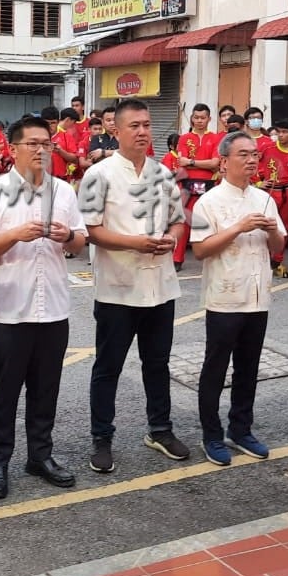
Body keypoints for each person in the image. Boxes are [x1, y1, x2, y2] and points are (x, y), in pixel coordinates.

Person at [0, 117, 87, 499]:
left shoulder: (64, 192)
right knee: (4, 392)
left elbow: (81, 241)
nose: (41, 150)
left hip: (53, 308)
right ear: (13, 149)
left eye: (47, 144)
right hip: (8, 310)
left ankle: (40, 455)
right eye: (33, 143)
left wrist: (68, 236)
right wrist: (14, 235)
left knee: (45, 390)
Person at [79, 98, 188, 473]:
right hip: (117, 287)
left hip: (160, 284)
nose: (142, 131)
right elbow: (91, 231)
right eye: (134, 126)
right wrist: (133, 243)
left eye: (146, 125)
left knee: (157, 364)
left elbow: (177, 219)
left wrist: (171, 239)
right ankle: (101, 438)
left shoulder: (162, 173)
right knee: (108, 366)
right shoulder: (100, 175)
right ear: (117, 131)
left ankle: (160, 429)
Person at [190, 132, 286, 465]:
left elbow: (278, 248)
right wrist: (238, 227)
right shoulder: (208, 202)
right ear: (224, 161)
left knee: (249, 368)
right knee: (215, 369)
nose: (250, 161)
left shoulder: (264, 199)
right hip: (224, 298)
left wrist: (272, 229)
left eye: (255, 155)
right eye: (243, 154)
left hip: (257, 298)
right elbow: (200, 249)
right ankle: (211, 434)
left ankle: (241, 429)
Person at [173, 104, 221, 272]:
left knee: (210, 221)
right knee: (183, 222)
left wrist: (192, 162)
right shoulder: (184, 138)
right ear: (192, 118)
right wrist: (205, 164)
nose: (199, 121)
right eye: (196, 117)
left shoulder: (216, 138)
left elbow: (215, 163)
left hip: (210, 186)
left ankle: (212, 255)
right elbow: (181, 162)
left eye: (203, 117)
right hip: (187, 185)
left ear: (209, 119)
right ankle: (177, 258)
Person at [259, 118, 288, 274]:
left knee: (283, 227)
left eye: (285, 132)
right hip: (270, 192)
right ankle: (261, 256)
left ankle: (277, 260)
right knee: (264, 224)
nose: (281, 135)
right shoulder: (267, 149)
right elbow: (254, 166)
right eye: (278, 131)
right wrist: (258, 183)